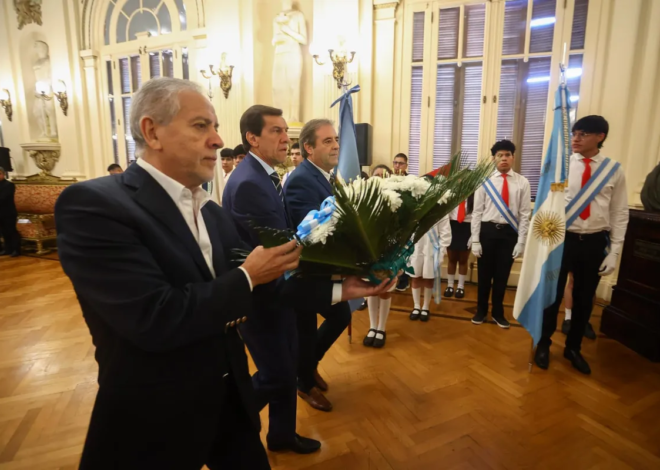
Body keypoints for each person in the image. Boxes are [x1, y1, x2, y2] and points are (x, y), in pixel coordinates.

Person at [54, 78, 301, 469]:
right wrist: (247, 276)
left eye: (215, 127)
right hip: (154, 417)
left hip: (228, 405)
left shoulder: (211, 212)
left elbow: (260, 290)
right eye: (201, 125)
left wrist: (341, 289)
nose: (218, 140)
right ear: (152, 132)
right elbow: (155, 317)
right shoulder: (94, 205)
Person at [223, 105, 395, 454]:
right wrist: (345, 277)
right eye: (276, 131)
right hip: (264, 298)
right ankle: (223, 430)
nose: (286, 138)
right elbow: (284, 247)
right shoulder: (249, 183)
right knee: (275, 375)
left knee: (286, 371)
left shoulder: (264, 176)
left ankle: (282, 435)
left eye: (286, 131)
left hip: (280, 292)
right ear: (252, 138)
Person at [535, 115, 629, 375]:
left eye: (583, 134)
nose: (575, 138)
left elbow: (620, 212)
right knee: (551, 297)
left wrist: (615, 251)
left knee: (584, 299)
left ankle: (573, 348)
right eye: (574, 133)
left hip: (594, 242)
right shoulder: (561, 167)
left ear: (600, 137)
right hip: (562, 240)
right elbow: (546, 204)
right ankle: (543, 343)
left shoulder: (613, 170)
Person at [284, 119, 351, 413]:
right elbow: (310, 232)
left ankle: (307, 368)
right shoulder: (301, 179)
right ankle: (303, 381)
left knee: (337, 317)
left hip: (321, 271)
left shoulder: (324, 175)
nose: (336, 144)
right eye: (327, 141)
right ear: (308, 148)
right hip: (306, 273)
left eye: (335, 139)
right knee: (309, 329)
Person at [471, 140, 531, 329]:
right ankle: (481, 310)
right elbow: (477, 213)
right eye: (499, 155)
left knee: (502, 276)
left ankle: (498, 312)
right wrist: (475, 240)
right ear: (493, 158)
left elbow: (524, 214)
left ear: (513, 157)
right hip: (487, 232)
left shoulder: (522, 182)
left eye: (507, 155)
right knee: (484, 275)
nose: (503, 158)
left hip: (509, 234)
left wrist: (521, 241)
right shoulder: (484, 181)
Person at [362, 164, 396, 348]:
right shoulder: (365, 201)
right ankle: (372, 326)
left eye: (384, 176)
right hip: (369, 253)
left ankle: (381, 327)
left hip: (388, 253)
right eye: (376, 176)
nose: (380, 179)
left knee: (384, 290)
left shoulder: (397, 201)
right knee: (370, 289)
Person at [445, 194, 474, 299]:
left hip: (467, 227)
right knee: (451, 258)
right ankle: (450, 285)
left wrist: (473, 236)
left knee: (463, 259)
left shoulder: (474, 196)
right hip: (452, 226)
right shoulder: (451, 194)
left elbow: (477, 215)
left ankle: (460, 286)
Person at [393, 153, 411, 292]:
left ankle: (403, 280)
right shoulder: (389, 180)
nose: (397, 166)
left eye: (401, 163)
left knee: (404, 253)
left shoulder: (411, 182)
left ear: (406, 165)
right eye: (395, 163)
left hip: (405, 222)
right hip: (391, 223)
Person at [0, 166, 19, 257]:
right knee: (3, 231)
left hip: (8, 212)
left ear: (3, 174)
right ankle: (7, 249)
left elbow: (3, 198)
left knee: (11, 230)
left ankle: (16, 249)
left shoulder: (9, 185)